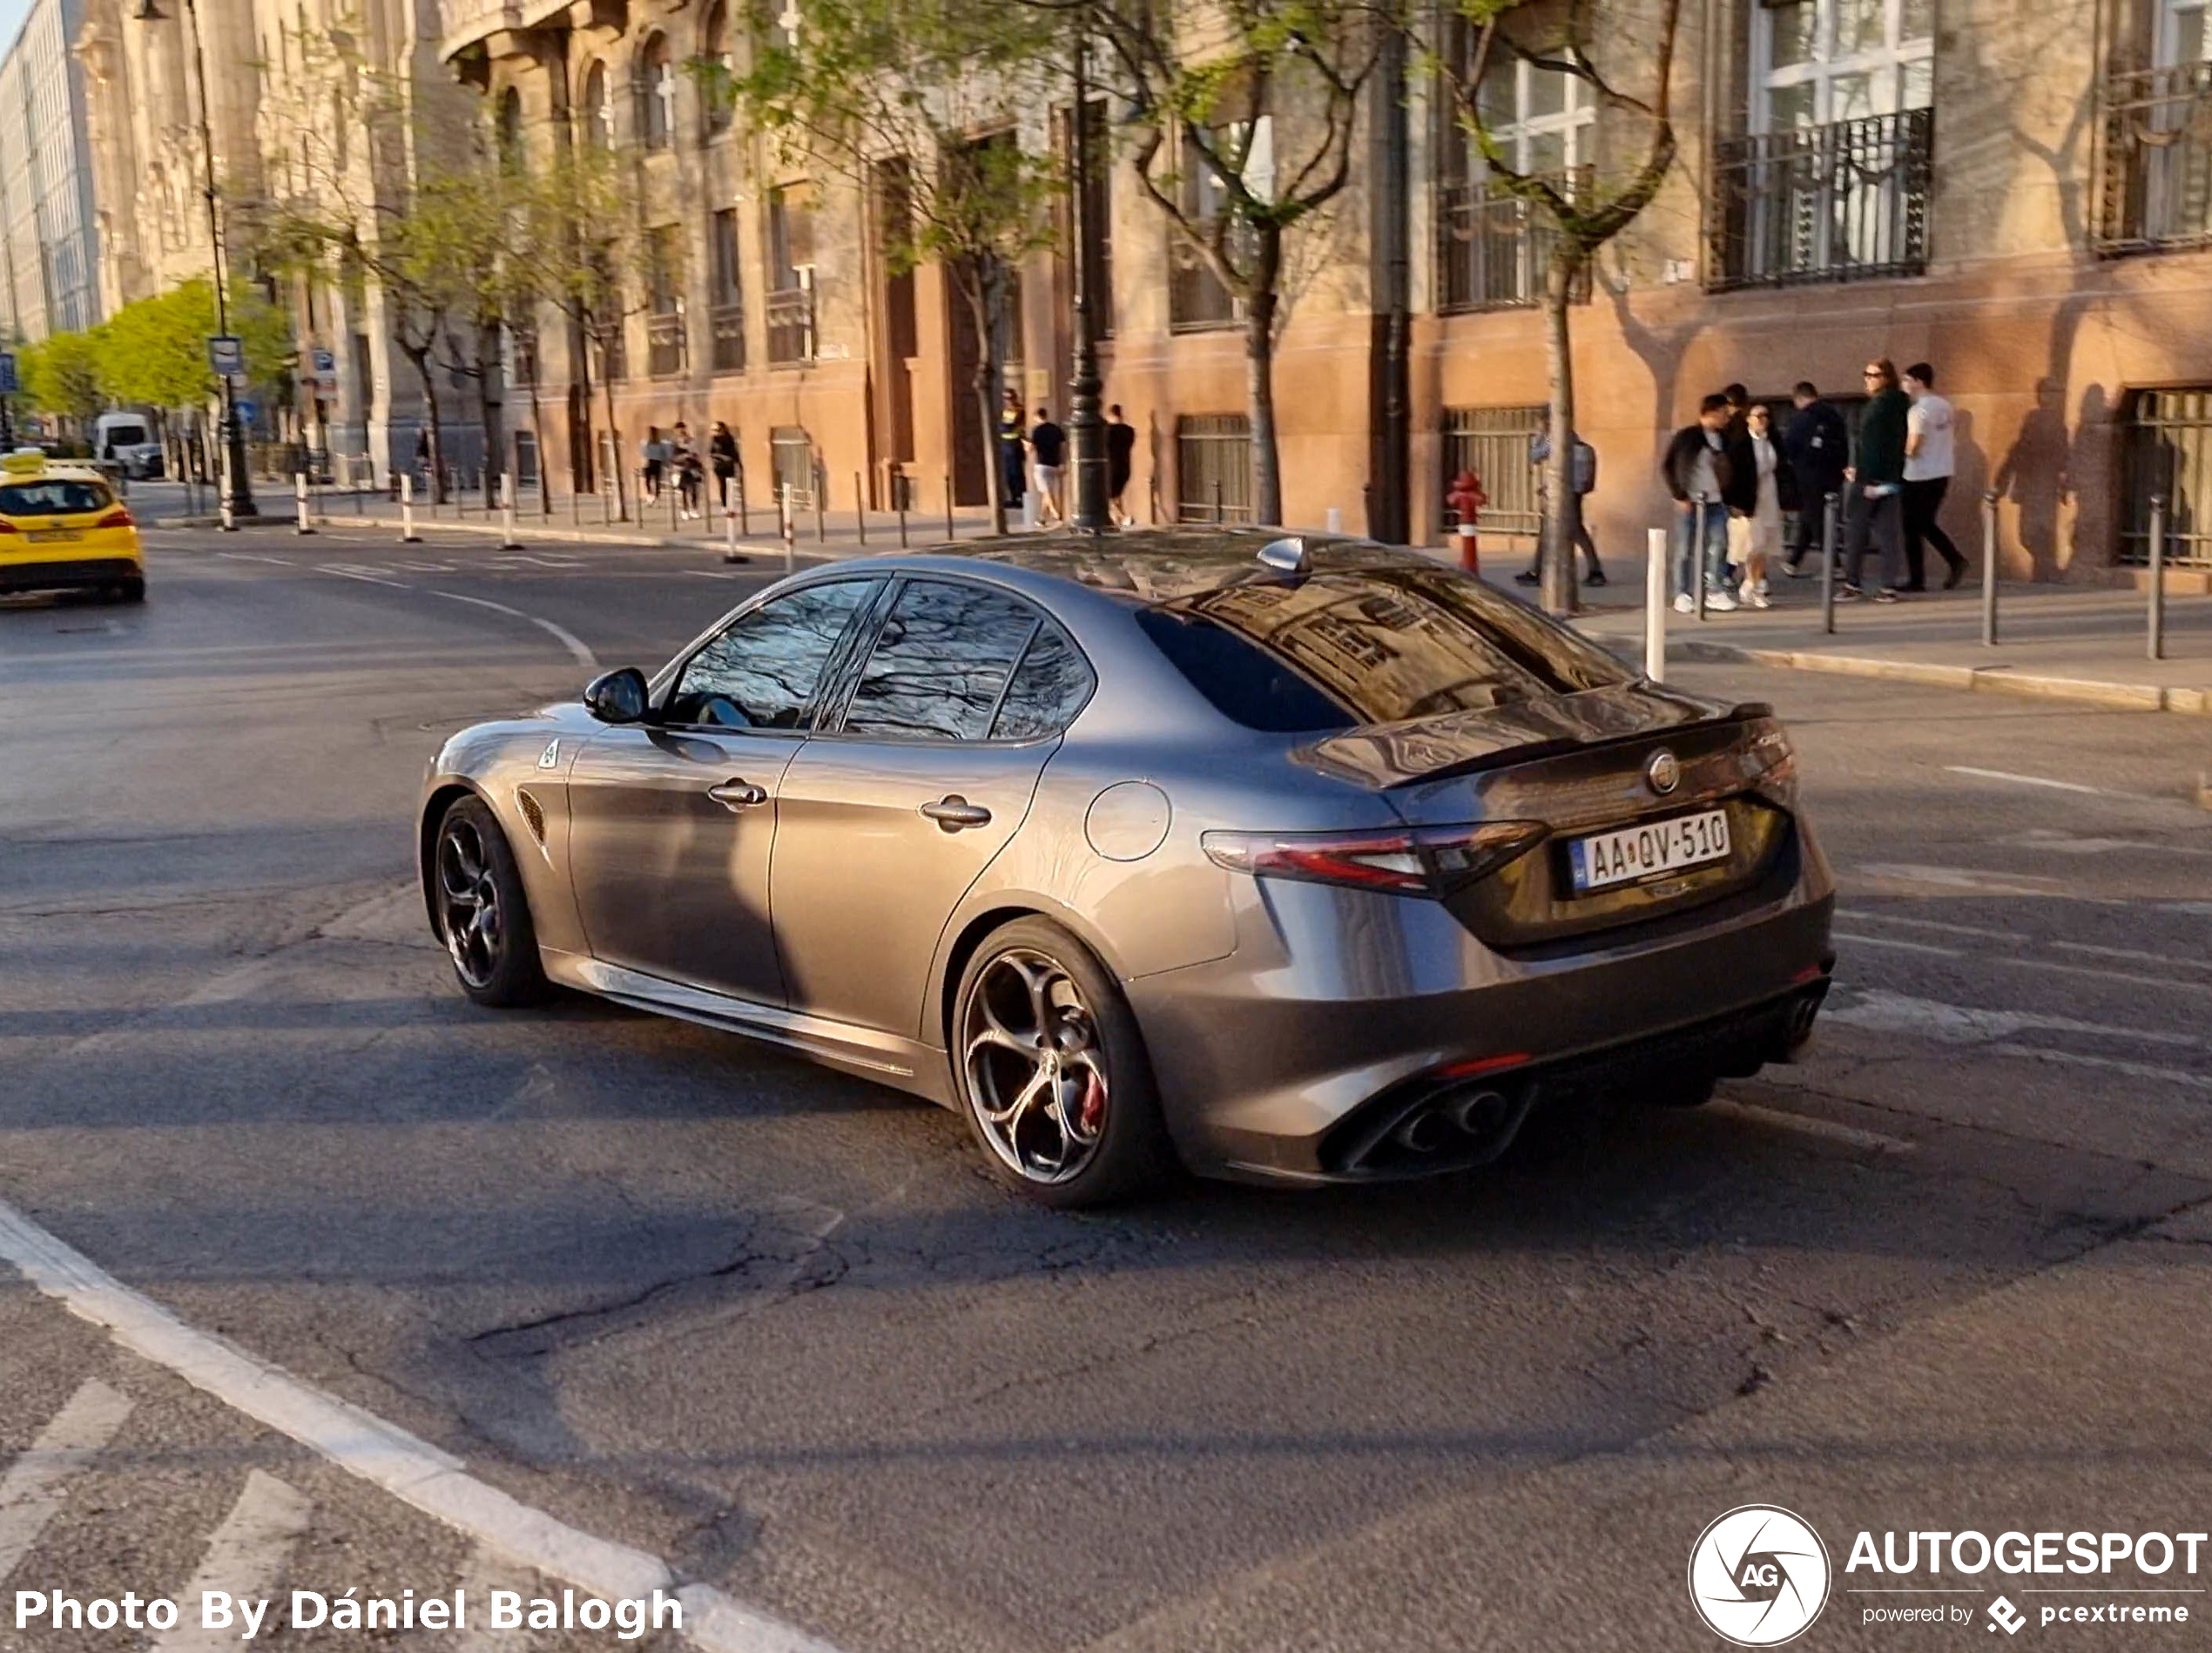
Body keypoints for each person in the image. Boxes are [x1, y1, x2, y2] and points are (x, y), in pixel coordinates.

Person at [1843, 359, 1912, 602]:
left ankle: (1852, 583)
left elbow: (1871, 446)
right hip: (1892, 479)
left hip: (1870, 478)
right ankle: (1887, 587)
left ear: (1886, 378)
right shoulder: (1901, 404)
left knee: (1856, 532)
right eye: (1866, 374)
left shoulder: (1878, 407)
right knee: (1887, 535)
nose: (1868, 379)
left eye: (1874, 375)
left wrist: (1861, 474)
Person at [1663, 395, 1737, 612]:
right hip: (1691, 501)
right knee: (1685, 548)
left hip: (1716, 501)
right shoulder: (1688, 436)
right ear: (1712, 412)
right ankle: (1682, 592)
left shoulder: (1724, 438)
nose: (1727, 418)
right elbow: (1668, 466)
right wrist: (1679, 495)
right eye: (1724, 413)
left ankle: (1713, 590)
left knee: (1719, 545)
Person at [1723, 402, 1796, 610]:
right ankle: (1751, 581)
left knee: (1765, 545)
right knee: (1751, 544)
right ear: (1748, 419)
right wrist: (1734, 502)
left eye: (1765, 416)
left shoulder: (1773, 441)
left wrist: (1787, 498)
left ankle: (1756, 585)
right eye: (1757, 416)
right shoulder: (1740, 443)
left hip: (1769, 495)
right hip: (1749, 499)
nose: (1762, 419)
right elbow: (1732, 475)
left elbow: (1783, 469)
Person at [1902, 361, 1966, 590]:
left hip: (1918, 475)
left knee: (1914, 526)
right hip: (1942, 471)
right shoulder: (1945, 406)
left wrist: (1903, 452)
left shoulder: (1918, 410)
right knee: (1924, 523)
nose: (1904, 384)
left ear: (1919, 382)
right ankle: (1951, 561)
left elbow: (1914, 445)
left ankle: (1922, 576)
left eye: (1907, 380)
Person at [1517, 425, 1605, 587]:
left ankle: (1594, 571)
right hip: (1575, 493)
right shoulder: (1578, 443)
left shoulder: (1555, 439)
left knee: (1563, 532)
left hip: (1561, 495)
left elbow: (1535, 456)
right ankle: (1537, 570)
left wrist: (1539, 437)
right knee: (1573, 531)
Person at [1780, 381, 1849, 574]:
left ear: (1799, 398)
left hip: (1809, 476)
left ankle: (1834, 566)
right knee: (1809, 519)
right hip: (1833, 476)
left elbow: (1789, 447)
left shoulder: (1803, 418)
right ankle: (1794, 562)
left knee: (1816, 520)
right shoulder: (1834, 415)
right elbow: (1845, 445)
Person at [1029, 406, 1067, 527]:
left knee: (1046, 491)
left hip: (1042, 465)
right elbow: (1063, 447)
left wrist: (1026, 446)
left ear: (1036, 416)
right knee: (1047, 491)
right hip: (1055, 464)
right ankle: (1041, 518)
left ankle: (1055, 512)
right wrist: (1063, 463)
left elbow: (1031, 448)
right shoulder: (1056, 429)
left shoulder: (1037, 430)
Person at [1105, 404, 1137, 528]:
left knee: (1109, 498)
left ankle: (1124, 517)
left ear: (1110, 415)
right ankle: (1116, 522)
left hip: (1110, 467)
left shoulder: (1107, 431)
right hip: (1125, 466)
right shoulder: (1129, 431)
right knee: (1117, 496)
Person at [997, 388, 1026, 517]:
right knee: (1008, 474)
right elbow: (1002, 426)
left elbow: (1011, 425)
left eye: (1010, 398)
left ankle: (1020, 497)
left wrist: (1006, 426)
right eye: (1005, 398)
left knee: (1017, 473)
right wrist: (1005, 426)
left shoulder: (1019, 410)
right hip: (1006, 444)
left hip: (1015, 444)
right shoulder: (1005, 411)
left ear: (1015, 398)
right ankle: (1013, 497)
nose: (1008, 401)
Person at [709, 421, 740, 510]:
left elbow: (734, 452)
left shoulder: (729, 439)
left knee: (731, 484)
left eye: (718, 429)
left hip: (729, 464)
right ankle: (724, 505)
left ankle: (731, 504)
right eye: (715, 430)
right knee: (723, 485)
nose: (717, 432)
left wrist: (738, 463)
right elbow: (711, 453)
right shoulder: (714, 440)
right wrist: (721, 458)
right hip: (719, 466)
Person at [640, 428, 666, 502]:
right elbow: (645, 454)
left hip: (654, 462)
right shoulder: (654, 444)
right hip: (654, 462)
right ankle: (654, 494)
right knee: (653, 480)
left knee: (653, 480)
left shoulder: (652, 444)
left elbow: (645, 454)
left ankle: (653, 494)